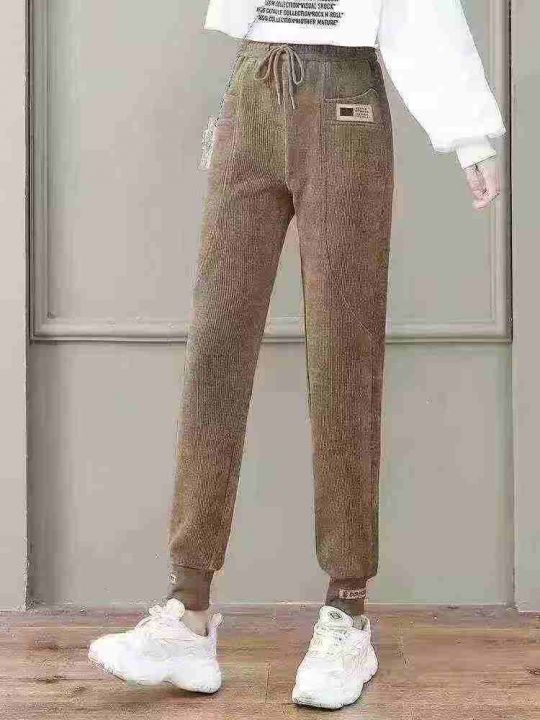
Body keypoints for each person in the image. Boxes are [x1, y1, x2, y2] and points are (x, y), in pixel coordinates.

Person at [88, 0, 505, 710]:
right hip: (252, 79)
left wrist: (468, 134)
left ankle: (347, 612)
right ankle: (187, 613)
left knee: (345, 353)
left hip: (345, 98)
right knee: (215, 344)